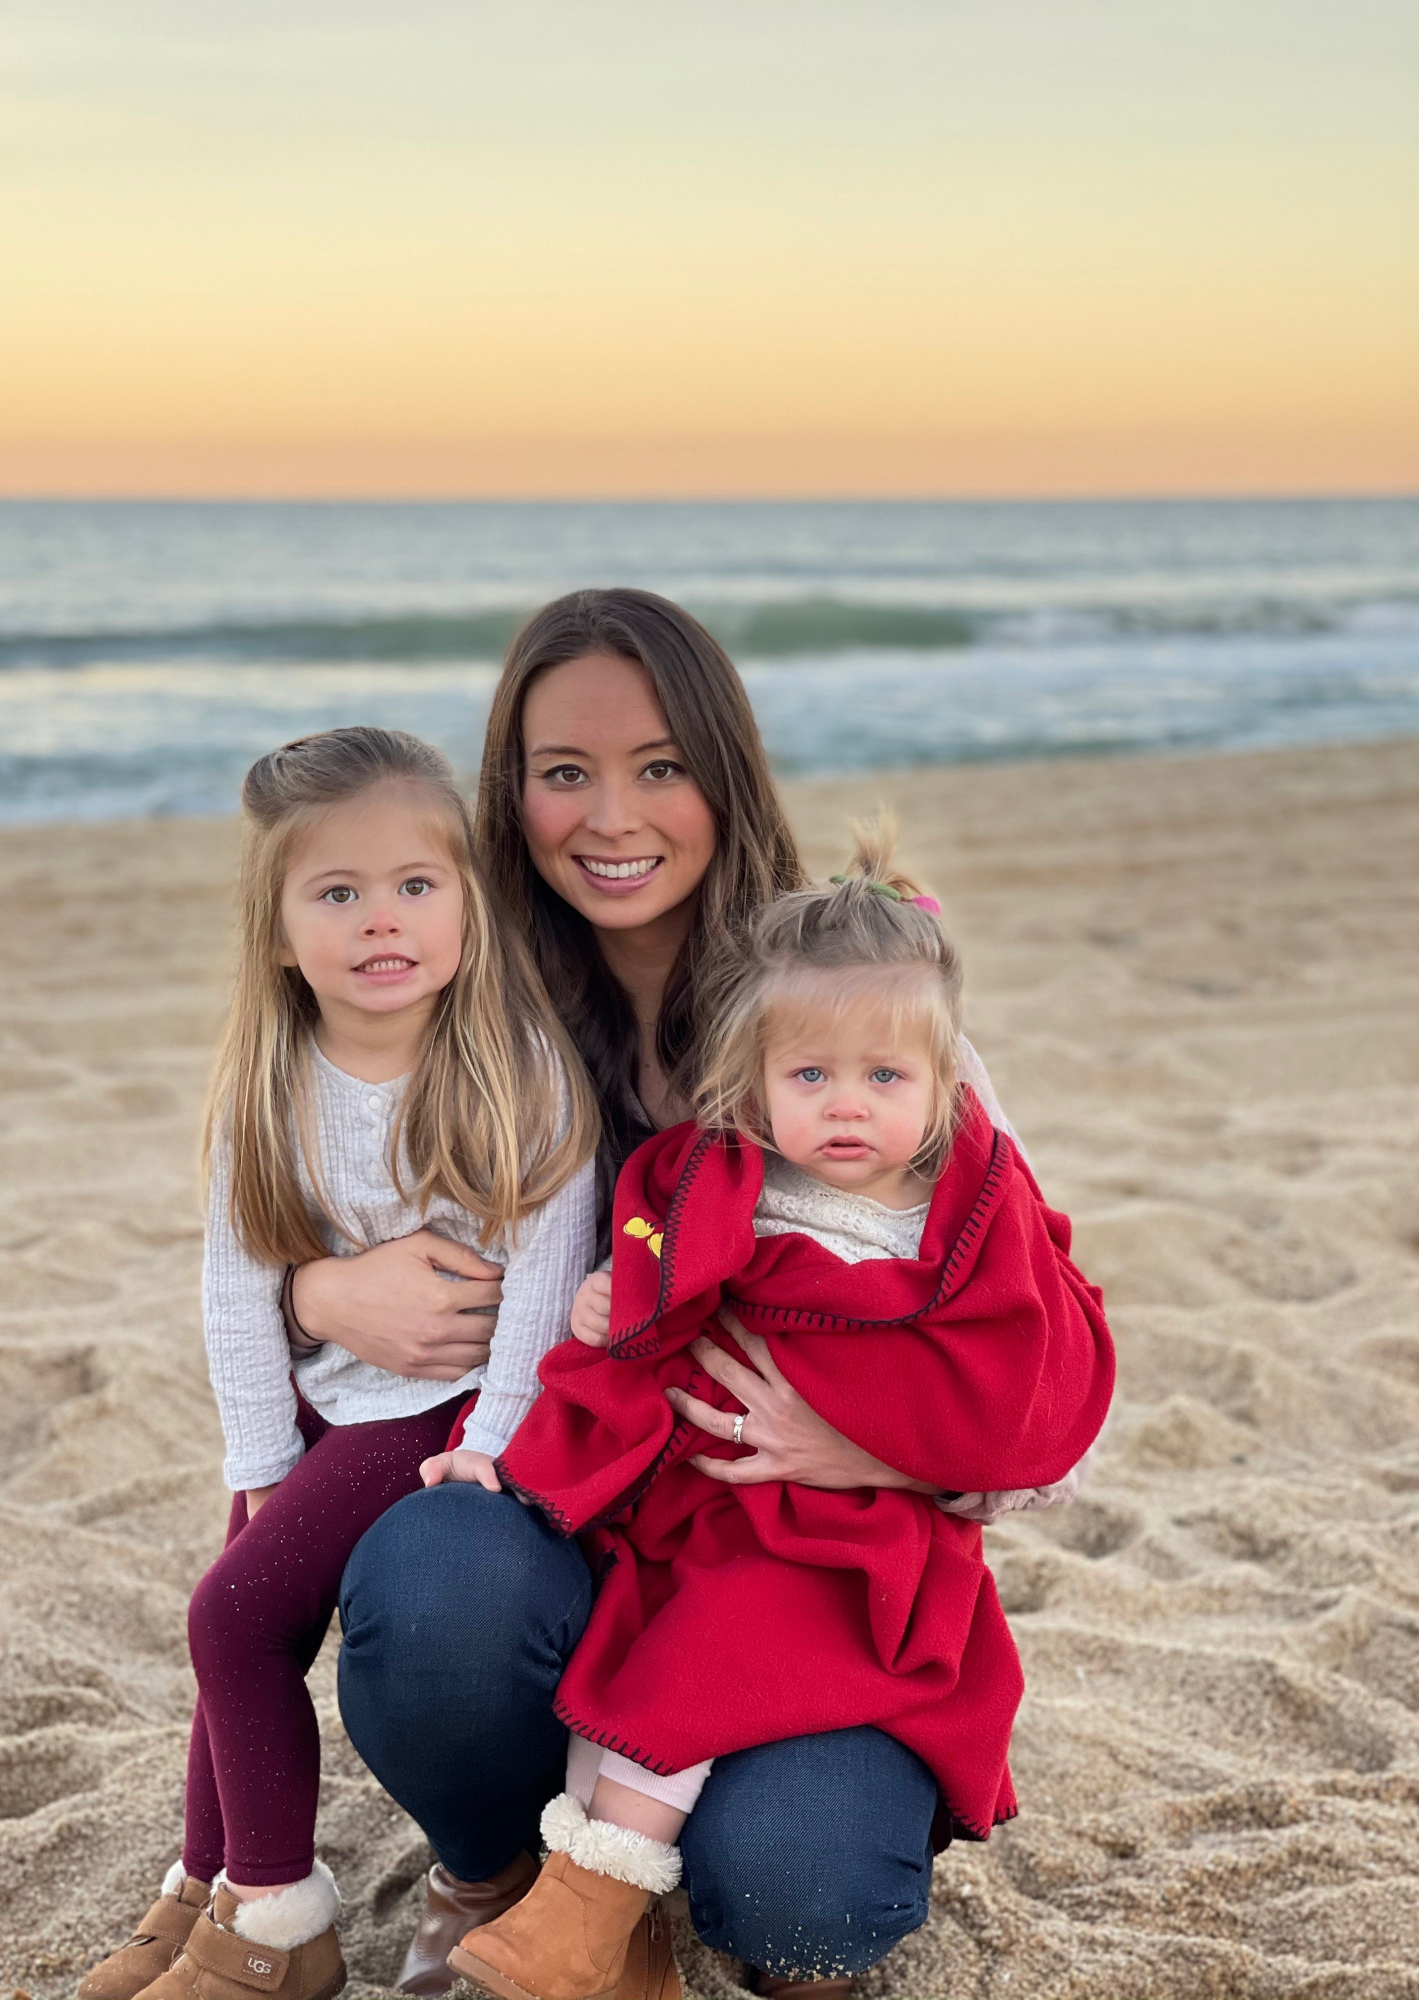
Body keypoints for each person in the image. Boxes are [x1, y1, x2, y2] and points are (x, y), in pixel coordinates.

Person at [302, 591, 1059, 1996]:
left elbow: (1038, 1365)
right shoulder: (462, 1006)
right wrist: (315, 1292)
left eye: (661, 766)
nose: (612, 815)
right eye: (564, 773)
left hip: (799, 1569)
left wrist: (878, 1444)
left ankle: (673, 1875)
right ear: (510, 791)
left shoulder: (841, 1015)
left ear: (725, 770)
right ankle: (499, 1873)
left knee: (802, 1910)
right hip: (571, 1527)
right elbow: (302, 1206)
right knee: (432, 1591)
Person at [446, 830, 1114, 2000]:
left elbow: (1032, 1382)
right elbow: (659, 1290)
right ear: (755, 1080)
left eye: (884, 1077)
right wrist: (621, 1301)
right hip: (712, 1506)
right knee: (645, 1641)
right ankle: (593, 1918)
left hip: (858, 1545)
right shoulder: (728, 1177)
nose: (846, 1105)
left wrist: (872, 1441)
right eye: (810, 1077)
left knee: (719, 1652)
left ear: (945, 1080)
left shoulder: (966, 1215)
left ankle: (601, 1898)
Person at [77, 728, 598, 2000]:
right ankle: (200, 1890)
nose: (383, 920)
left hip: (450, 1411)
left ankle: (277, 1925)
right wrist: (257, 1458)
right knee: (240, 1606)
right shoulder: (267, 1084)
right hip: (328, 1403)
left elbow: (543, 1280)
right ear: (277, 927)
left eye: (418, 885)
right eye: (339, 892)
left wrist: (499, 1435)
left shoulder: (515, 1070)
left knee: (229, 1618)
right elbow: (237, 1283)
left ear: (470, 906)